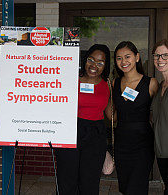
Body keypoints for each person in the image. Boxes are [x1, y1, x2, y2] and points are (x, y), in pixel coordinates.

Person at [56, 44, 111, 195]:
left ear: (105, 66)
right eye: (91, 60)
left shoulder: (108, 85)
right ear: (85, 60)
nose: (94, 65)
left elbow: (111, 115)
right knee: (67, 182)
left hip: (95, 135)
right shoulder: (71, 79)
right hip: (70, 131)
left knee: (89, 183)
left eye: (100, 63)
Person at [113, 41, 158, 194]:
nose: (123, 61)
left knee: (137, 188)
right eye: (119, 58)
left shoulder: (150, 83)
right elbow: (113, 115)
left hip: (142, 145)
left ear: (137, 57)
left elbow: (158, 112)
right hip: (121, 144)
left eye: (127, 56)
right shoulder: (115, 83)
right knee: (125, 188)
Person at [151, 39, 168, 195]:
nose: (160, 59)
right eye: (157, 56)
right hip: (162, 153)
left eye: (165, 55)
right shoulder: (160, 85)